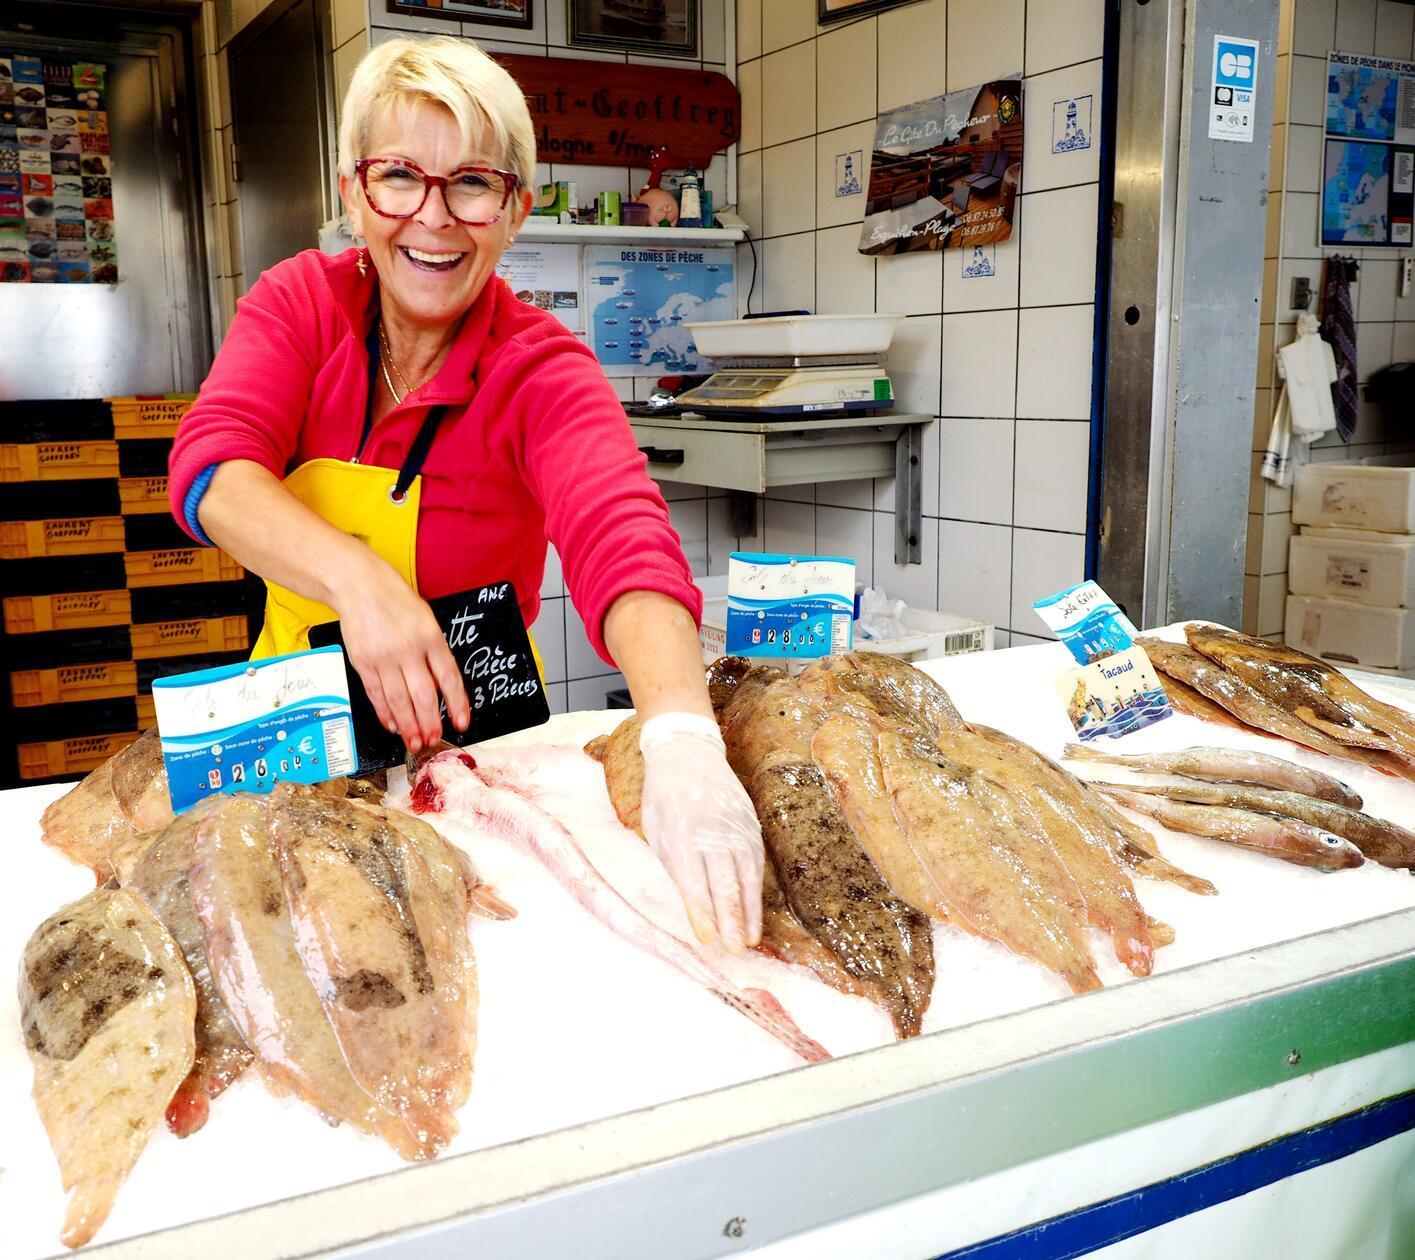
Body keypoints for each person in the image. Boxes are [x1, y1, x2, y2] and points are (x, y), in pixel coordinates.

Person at [167, 37, 762, 953]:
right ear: (352, 193)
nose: (434, 219)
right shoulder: (299, 305)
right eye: (400, 176)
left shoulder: (542, 367)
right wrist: (363, 587)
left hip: (470, 740)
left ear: (516, 209)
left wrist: (683, 735)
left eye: (474, 183)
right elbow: (211, 469)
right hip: (291, 719)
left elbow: (623, 539)